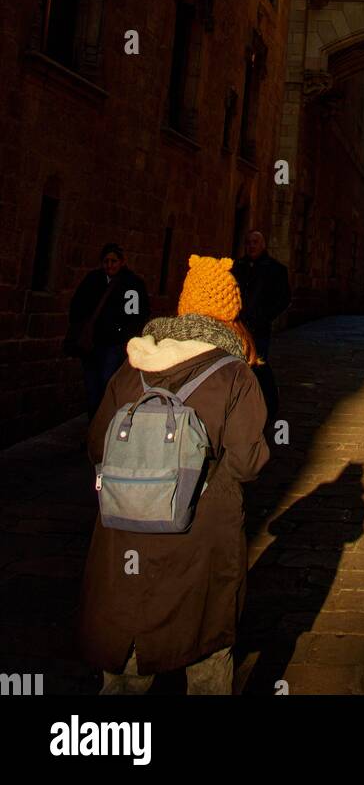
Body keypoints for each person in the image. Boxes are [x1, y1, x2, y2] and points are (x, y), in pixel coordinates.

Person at [78, 254, 270, 695]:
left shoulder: (135, 363)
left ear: (184, 306)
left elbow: (96, 444)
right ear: (230, 312)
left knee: (126, 663)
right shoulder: (235, 374)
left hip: (125, 530)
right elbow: (247, 462)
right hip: (201, 540)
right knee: (204, 650)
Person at [64, 243, 150, 420]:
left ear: (122, 262)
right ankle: (93, 425)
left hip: (114, 345)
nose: (110, 265)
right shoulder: (93, 280)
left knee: (106, 385)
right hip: (93, 344)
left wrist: (125, 336)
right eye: (106, 261)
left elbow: (136, 315)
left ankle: (102, 425)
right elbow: (77, 306)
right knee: (92, 388)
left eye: (114, 261)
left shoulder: (131, 284)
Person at [231, 230, 290, 362]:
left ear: (263, 245)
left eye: (255, 243)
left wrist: (266, 316)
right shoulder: (237, 266)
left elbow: (284, 298)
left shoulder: (276, 269)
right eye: (248, 243)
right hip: (238, 324)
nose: (251, 246)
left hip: (260, 327)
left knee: (258, 362)